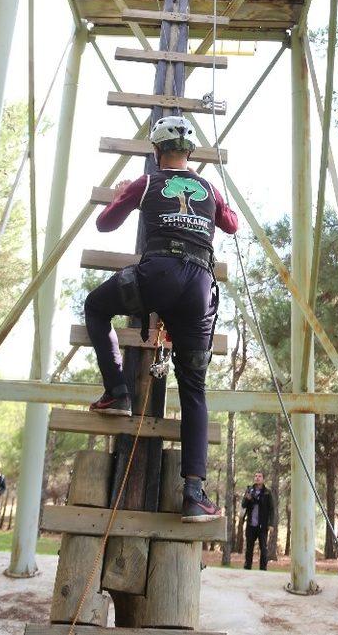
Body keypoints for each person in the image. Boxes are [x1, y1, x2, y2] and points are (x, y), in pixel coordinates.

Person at [84, 115, 238, 523]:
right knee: (194, 388)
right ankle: (193, 494)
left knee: (96, 308)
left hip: (157, 276)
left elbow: (104, 224)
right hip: (199, 288)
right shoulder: (207, 187)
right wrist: (217, 207)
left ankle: (117, 390)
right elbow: (232, 225)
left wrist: (118, 196)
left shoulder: (147, 181)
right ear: (191, 152)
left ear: (156, 152)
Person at [242, 471, 275, 570]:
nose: (257, 478)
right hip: (251, 524)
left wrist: (271, 524)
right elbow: (243, 505)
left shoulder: (267, 492)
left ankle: (263, 569)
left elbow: (271, 509)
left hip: (263, 525)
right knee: (249, 548)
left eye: (259, 476)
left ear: (263, 479)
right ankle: (247, 567)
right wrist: (247, 499)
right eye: (256, 476)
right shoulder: (249, 490)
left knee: (263, 548)